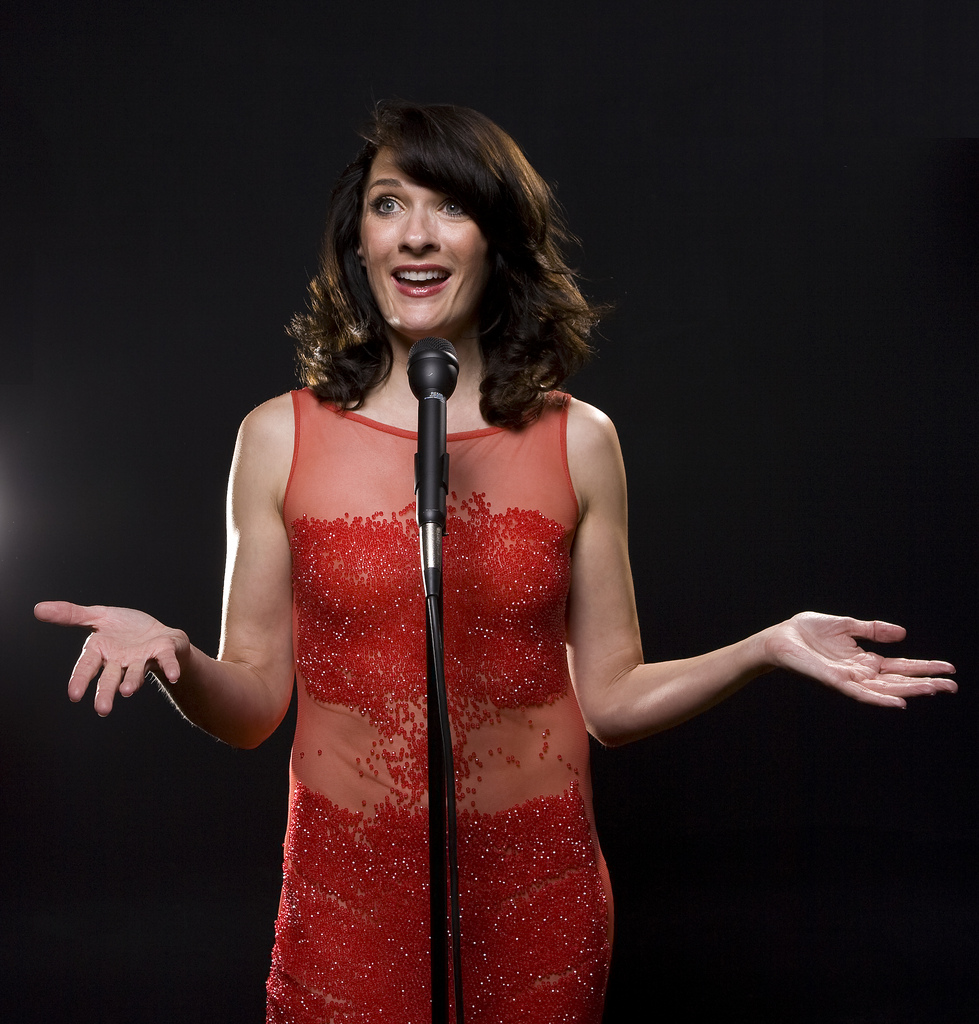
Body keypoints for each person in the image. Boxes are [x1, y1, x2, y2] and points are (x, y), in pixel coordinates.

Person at [34, 101, 956, 1024]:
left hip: (536, 903)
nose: (416, 235)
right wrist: (179, 658)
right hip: (345, 907)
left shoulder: (579, 439)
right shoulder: (277, 436)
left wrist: (765, 647)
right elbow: (252, 708)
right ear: (358, 241)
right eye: (389, 204)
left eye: (452, 206)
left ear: (497, 239)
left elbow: (610, 701)